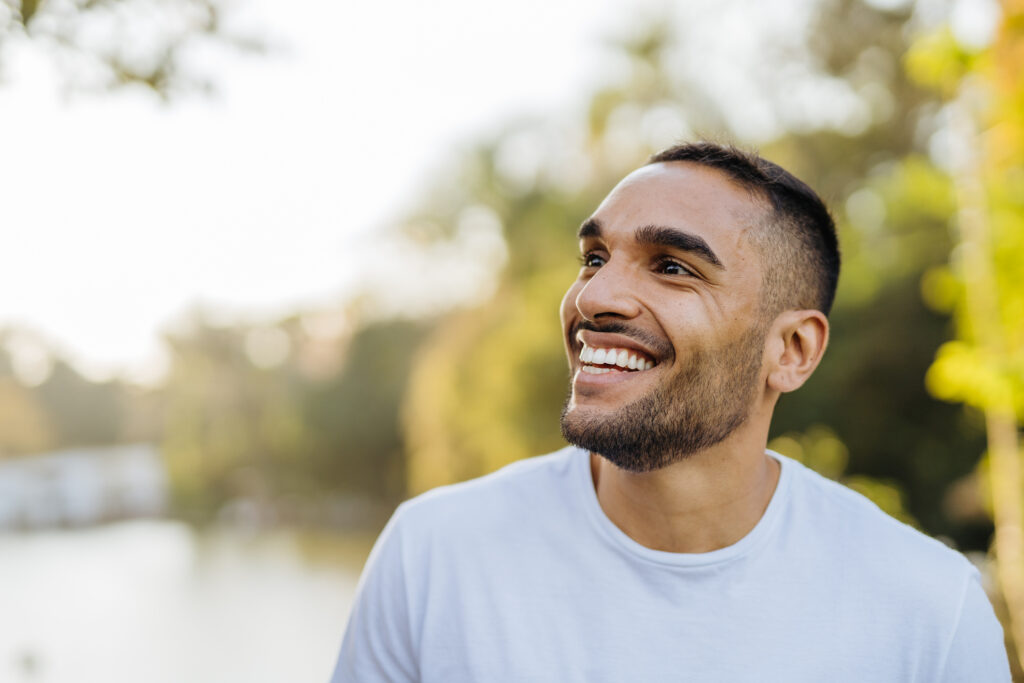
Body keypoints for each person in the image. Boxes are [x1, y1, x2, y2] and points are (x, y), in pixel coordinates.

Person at [330, 142, 1011, 682]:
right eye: (594, 257)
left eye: (673, 267)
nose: (595, 295)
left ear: (793, 350)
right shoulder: (432, 554)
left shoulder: (928, 608)